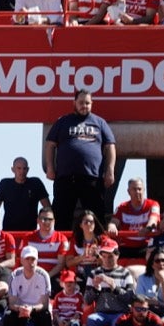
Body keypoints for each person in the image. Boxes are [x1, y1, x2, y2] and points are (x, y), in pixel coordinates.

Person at [44, 90, 116, 230]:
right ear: (74, 103)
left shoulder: (99, 122)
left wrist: (110, 169)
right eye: (81, 103)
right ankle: (62, 248)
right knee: (61, 215)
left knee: (96, 216)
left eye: (87, 103)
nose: (84, 106)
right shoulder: (63, 121)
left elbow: (110, 146)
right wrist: (50, 167)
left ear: (92, 104)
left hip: (92, 178)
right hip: (65, 177)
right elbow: (50, 145)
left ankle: (99, 246)